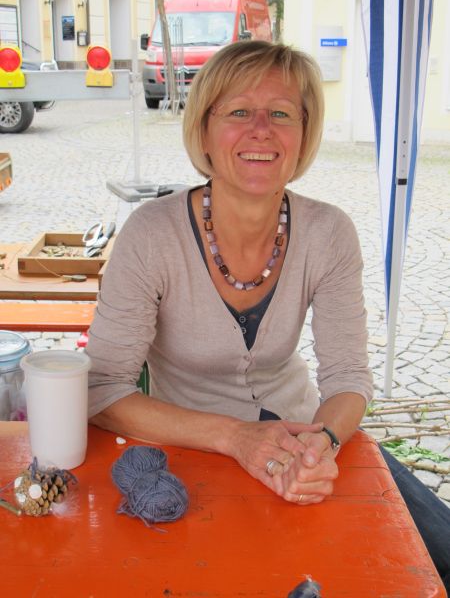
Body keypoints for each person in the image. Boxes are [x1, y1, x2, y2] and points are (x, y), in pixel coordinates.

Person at [87, 41, 449, 590]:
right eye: (238, 111)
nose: (261, 130)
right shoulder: (152, 235)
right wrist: (236, 438)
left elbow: (349, 378)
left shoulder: (329, 232)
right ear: (204, 131)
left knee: (432, 558)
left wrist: (323, 441)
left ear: (303, 133)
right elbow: (103, 390)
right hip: (192, 455)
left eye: (281, 113)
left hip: (304, 435)